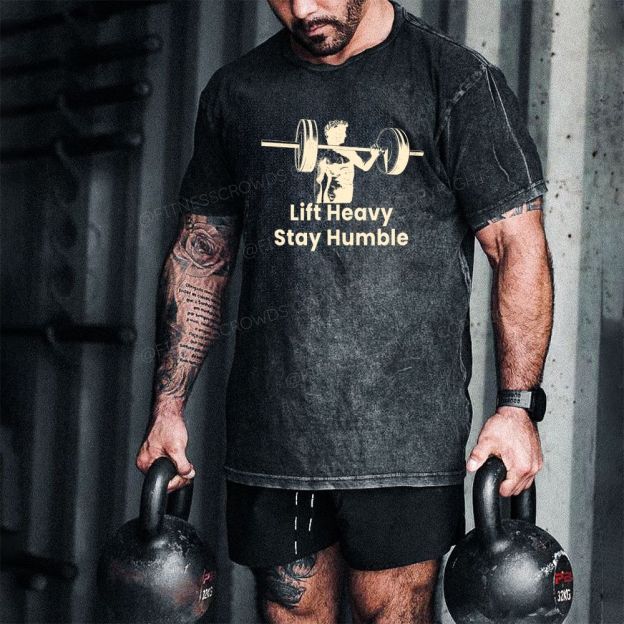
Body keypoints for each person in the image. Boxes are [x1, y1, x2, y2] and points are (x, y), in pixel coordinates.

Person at [136, 1, 553, 622]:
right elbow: (201, 254)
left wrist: (517, 407)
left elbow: (517, 246)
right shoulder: (237, 92)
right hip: (273, 437)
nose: (304, 8)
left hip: (404, 443)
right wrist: (168, 407)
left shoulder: (456, 82)